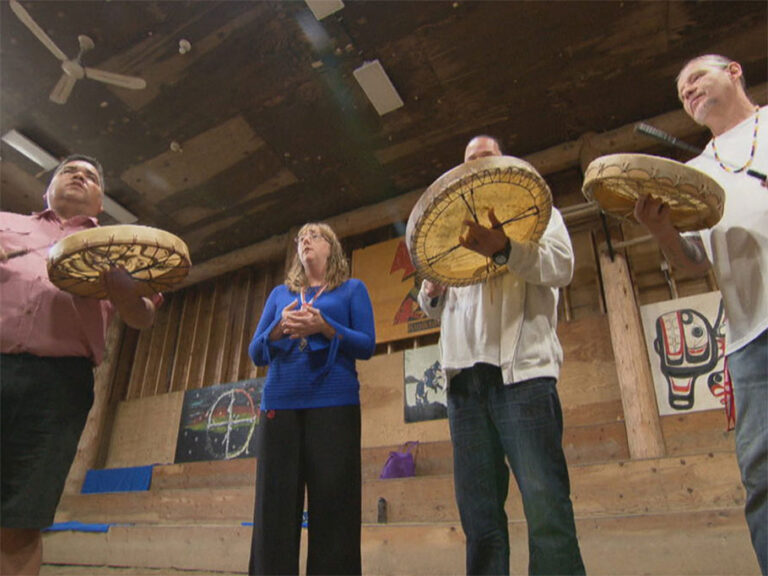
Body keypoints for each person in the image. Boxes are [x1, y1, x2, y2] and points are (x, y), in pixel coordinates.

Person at [418, 136, 585, 575]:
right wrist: (431, 289)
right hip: (464, 386)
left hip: (523, 378)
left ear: (505, 160)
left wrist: (505, 248)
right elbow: (432, 307)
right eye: (469, 158)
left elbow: (562, 266)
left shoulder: (537, 212)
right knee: (480, 516)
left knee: (546, 505)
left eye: (485, 156)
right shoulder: (449, 231)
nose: (476, 163)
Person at [634, 54, 767, 575]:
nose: (687, 90)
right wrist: (662, 230)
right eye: (680, 88)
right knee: (761, 479)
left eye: (696, 77)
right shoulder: (694, 176)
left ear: (733, 71)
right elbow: (693, 266)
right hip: (749, 341)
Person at [0, 154, 161, 575]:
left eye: (90, 175)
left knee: (21, 520)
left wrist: (125, 293)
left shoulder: (122, 247)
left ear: (100, 200)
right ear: (47, 188)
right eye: (69, 171)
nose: (79, 176)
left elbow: (143, 316)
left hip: (58, 389)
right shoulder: (5, 223)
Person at [247, 222, 375, 576]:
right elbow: (255, 352)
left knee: (335, 505)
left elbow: (366, 344)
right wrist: (277, 328)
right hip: (280, 405)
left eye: (314, 236)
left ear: (331, 248)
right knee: (274, 508)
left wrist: (325, 327)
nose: (305, 240)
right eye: (301, 238)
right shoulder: (279, 295)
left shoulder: (351, 290)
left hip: (334, 405)